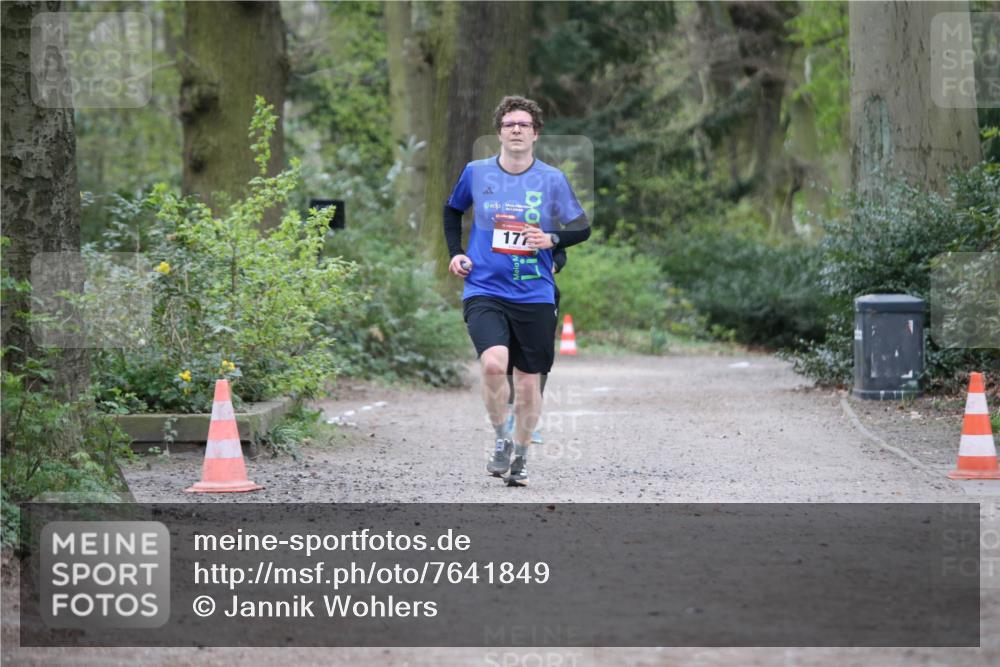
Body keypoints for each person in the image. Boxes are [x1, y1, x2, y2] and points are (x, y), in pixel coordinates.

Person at [444, 96, 590, 486]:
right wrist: (456, 253)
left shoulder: (552, 179)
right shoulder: (476, 172)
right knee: (493, 364)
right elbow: (451, 210)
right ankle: (500, 439)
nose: (516, 130)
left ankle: (521, 457)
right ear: (499, 132)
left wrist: (551, 238)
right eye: (509, 124)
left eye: (524, 124)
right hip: (484, 287)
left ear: (536, 134)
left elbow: (582, 227)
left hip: (534, 292)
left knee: (528, 381)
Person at [503, 247, 566, 445]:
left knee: (541, 359)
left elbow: (560, 252)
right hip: (506, 293)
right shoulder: (504, 221)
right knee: (509, 355)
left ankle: (531, 418)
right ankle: (514, 411)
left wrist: (553, 265)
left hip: (541, 296)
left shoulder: (543, 222)